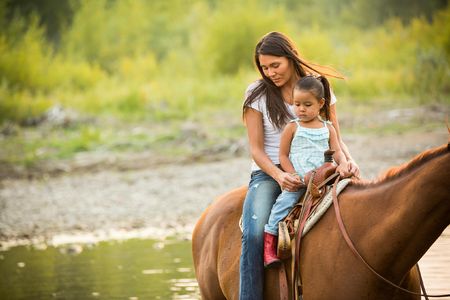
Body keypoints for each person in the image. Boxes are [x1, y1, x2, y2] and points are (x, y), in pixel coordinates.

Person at [240, 31, 359, 300]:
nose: (270, 72)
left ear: (290, 58)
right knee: (254, 233)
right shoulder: (256, 94)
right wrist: (281, 176)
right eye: (265, 67)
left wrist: (349, 162)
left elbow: (335, 137)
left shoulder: (319, 88)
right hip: (271, 174)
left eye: (275, 65)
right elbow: (256, 150)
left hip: (322, 171)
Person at [263, 75, 351, 267]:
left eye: (307, 104)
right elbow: (283, 156)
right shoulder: (292, 127)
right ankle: (269, 243)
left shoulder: (328, 128)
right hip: (301, 180)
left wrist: (343, 163)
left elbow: (336, 151)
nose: (301, 109)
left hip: (324, 178)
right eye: (297, 104)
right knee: (282, 205)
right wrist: (292, 174)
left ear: (321, 103)